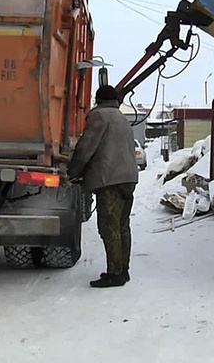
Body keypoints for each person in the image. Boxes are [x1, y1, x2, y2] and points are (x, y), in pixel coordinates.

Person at [68, 85, 140, 288]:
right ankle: (123, 270)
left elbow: (86, 148)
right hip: (128, 179)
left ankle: (114, 273)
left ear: (98, 100)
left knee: (109, 228)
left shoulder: (99, 117)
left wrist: (72, 172)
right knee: (122, 226)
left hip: (110, 180)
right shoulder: (121, 117)